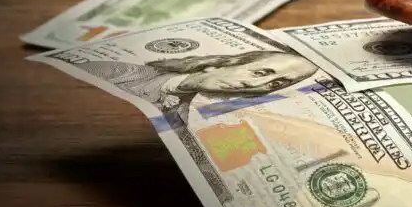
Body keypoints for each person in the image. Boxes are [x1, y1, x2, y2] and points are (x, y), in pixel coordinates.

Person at [76, 49, 319, 127]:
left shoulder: (182, 119)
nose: (256, 85)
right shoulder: (115, 72)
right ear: (228, 62)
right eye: (261, 72)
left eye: (275, 84)